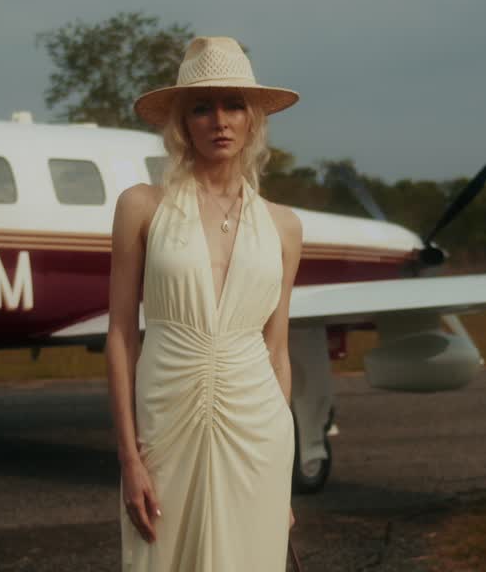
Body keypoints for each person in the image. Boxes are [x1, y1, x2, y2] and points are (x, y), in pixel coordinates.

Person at [106, 36, 303, 570]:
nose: (219, 120)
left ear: (253, 119)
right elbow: (122, 335)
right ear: (182, 122)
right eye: (202, 107)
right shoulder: (141, 207)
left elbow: (277, 351)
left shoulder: (284, 226)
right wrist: (129, 460)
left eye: (234, 105)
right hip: (166, 426)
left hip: (257, 434)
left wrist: (280, 479)